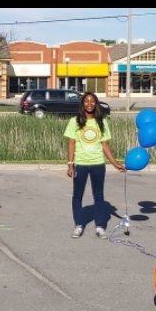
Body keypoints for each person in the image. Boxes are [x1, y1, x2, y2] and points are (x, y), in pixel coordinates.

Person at [65, 93, 124, 238]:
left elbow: (105, 145)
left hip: (98, 164)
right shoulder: (75, 121)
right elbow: (71, 143)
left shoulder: (101, 122)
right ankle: (79, 225)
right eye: (86, 101)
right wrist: (70, 164)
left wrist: (115, 164)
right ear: (82, 104)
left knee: (98, 197)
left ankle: (100, 226)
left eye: (92, 101)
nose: (89, 104)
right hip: (81, 163)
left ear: (96, 104)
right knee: (77, 196)